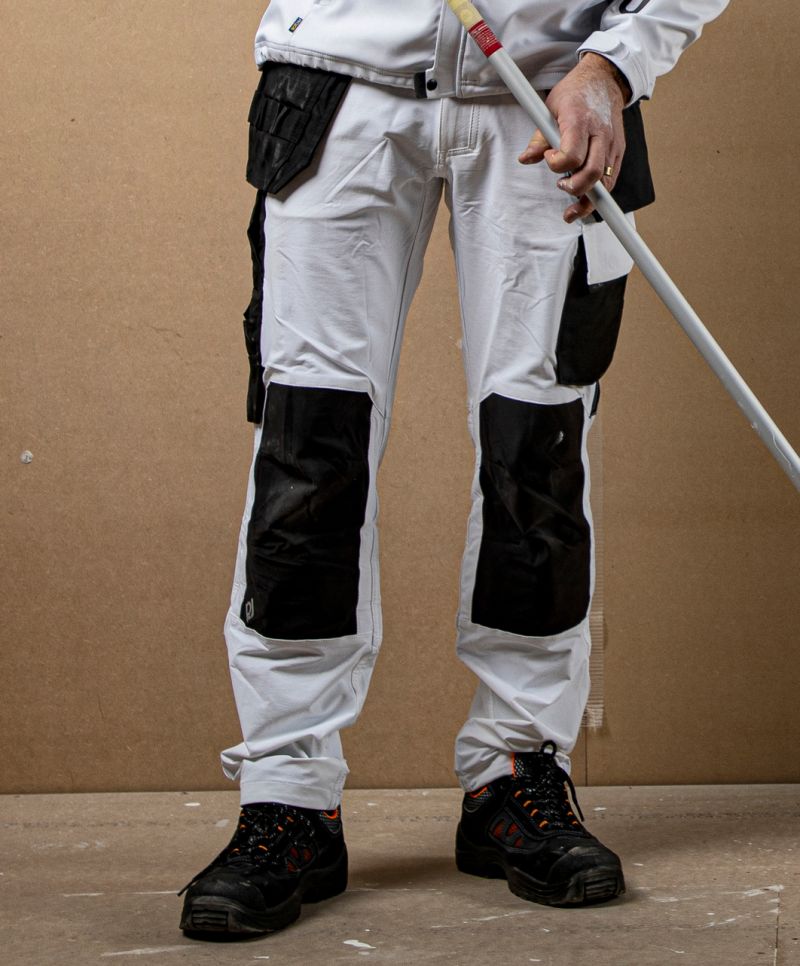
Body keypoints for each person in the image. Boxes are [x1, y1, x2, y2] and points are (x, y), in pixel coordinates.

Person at [179, 0, 729, 937]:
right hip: (338, 90)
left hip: (549, 97)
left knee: (537, 450)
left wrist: (616, 63)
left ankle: (515, 769)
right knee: (309, 447)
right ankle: (287, 791)